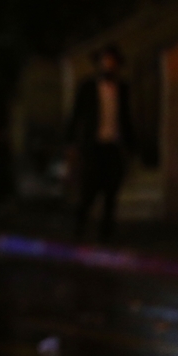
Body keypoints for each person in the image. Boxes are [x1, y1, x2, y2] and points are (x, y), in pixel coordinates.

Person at [66, 44, 134, 242]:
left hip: (112, 144)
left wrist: (131, 144)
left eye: (112, 61)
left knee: (111, 189)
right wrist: (70, 141)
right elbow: (76, 114)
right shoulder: (88, 87)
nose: (108, 65)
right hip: (93, 145)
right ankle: (80, 224)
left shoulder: (121, 89)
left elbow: (126, 118)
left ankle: (107, 231)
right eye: (105, 61)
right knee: (90, 188)